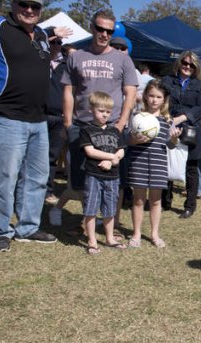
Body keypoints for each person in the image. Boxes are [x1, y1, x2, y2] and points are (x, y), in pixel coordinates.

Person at [0, 0, 66, 252]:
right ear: (13, 4)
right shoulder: (1, 27)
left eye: (35, 6)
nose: (29, 10)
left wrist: (52, 35)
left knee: (37, 178)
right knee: (4, 178)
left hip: (39, 119)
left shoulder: (39, 34)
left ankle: (27, 227)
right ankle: (0, 230)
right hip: (7, 116)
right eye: (24, 4)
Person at [61, 10, 138, 230]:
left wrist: (121, 125)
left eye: (109, 31)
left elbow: (130, 94)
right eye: (100, 29)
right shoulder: (76, 56)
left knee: (113, 179)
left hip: (112, 127)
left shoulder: (123, 59)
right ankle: (88, 223)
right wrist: (67, 124)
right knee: (82, 180)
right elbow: (69, 91)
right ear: (92, 27)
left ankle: (109, 225)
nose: (104, 34)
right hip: (82, 125)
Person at [128, 80, 181, 248]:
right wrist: (135, 140)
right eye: (151, 96)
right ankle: (136, 233)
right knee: (138, 199)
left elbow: (170, 146)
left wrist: (174, 139)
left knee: (156, 200)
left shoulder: (168, 120)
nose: (154, 100)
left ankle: (154, 234)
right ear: (145, 96)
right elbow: (127, 140)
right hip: (139, 162)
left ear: (164, 100)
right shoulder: (137, 117)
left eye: (159, 97)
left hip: (158, 164)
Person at [161, 51, 201, 218]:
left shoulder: (200, 84)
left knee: (191, 169)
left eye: (191, 65)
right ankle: (164, 201)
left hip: (191, 130)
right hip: (170, 127)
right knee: (167, 164)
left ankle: (190, 205)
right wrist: (168, 119)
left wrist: (181, 118)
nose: (187, 67)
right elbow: (161, 101)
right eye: (185, 63)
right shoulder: (167, 81)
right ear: (179, 63)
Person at [79, 92, 126, 254]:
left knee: (110, 208)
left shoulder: (115, 131)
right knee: (91, 208)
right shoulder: (86, 130)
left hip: (113, 176)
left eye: (108, 111)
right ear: (92, 109)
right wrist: (111, 157)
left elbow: (121, 151)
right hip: (93, 175)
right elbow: (90, 151)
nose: (105, 114)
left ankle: (110, 237)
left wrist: (113, 160)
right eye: (101, 111)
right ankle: (92, 240)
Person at [44, 30, 68, 205]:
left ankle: (48, 191)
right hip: (38, 115)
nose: (55, 45)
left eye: (59, 42)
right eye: (52, 42)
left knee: (52, 157)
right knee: (31, 157)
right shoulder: (39, 60)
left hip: (59, 118)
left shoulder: (66, 64)